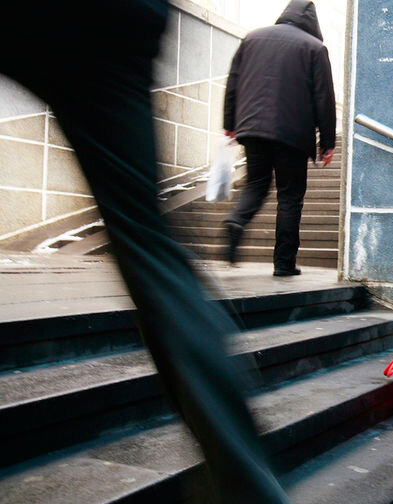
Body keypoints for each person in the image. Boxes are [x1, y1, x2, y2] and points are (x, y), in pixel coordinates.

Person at [0, 3, 289, 503]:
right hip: (124, 22)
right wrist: (323, 137)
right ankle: (247, 480)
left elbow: (238, 75)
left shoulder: (259, 38)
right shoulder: (309, 47)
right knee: (148, 245)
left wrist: (231, 122)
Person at [222, 0, 337, 277]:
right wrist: (328, 142)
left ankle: (237, 220)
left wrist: (230, 123)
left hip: (252, 128)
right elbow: (324, 98)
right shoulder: (314, 48)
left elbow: (233, 82)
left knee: (256, 184)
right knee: (290, 197)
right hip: (293, 135)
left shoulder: (252, 38)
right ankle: (284, 263)